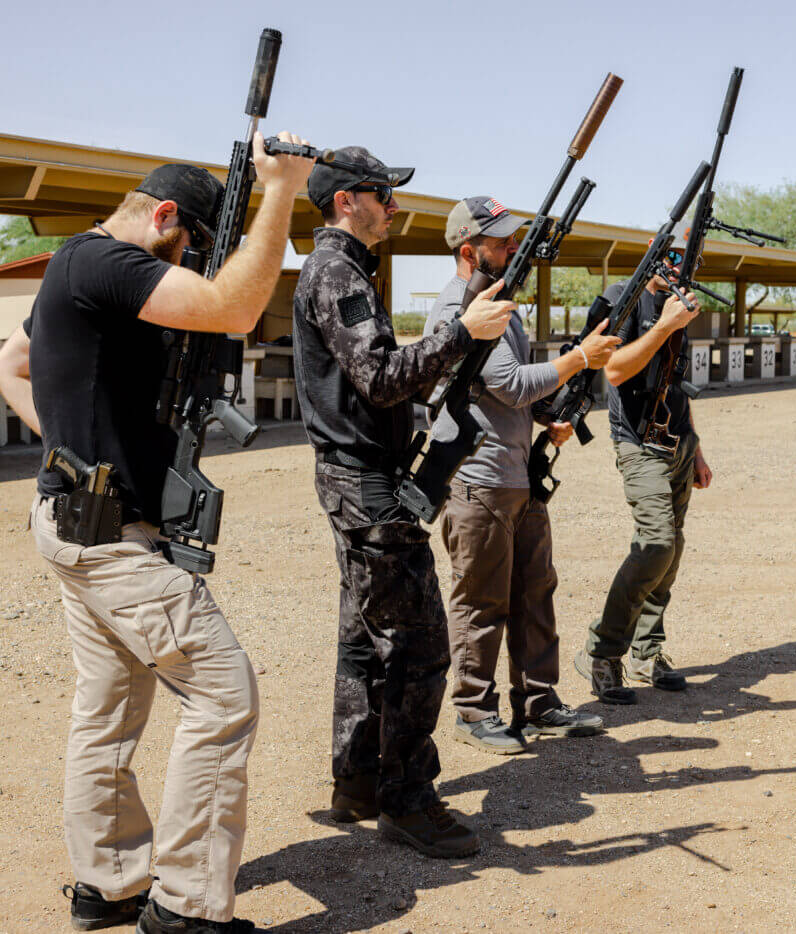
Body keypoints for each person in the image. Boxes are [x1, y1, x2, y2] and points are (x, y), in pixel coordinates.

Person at [0, 135, 316, 933]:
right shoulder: (105, 260)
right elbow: (237, 307)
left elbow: (10, 365)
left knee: (106, 707)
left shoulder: (73, 267)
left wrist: (68, 451)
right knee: (222, 692)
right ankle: (187, 910)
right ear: (163, 216)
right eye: (191, 246)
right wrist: (280, 192)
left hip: (76, 521)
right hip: (107, 539)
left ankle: (110, 882)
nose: (192, 265)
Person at [292, 149, 514, 857]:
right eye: (384, 194)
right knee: (417, 646)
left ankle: (358, 780)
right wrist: (460, 334)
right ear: (347, 200)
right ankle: (407, 800)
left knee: (364, 640)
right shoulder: (336, 272)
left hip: (358, 476)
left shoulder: (344, 270)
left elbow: (377, 380)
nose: (393, 206)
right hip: (366, 486)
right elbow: (381, 377)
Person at [423, 196, 622, 754]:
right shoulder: (460, 312)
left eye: (514, 239)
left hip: (517, 476)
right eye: (501, 241)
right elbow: (509, 382)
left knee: (535, 592)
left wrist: (547, 415)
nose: (513, 248)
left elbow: (514, 394)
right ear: (469, 250)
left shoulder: (503, 308)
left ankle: (538, 703)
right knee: (481, 601)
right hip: (479, 478)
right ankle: (474, 711)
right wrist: (579, 358)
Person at [574, 243, 712, 704]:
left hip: (677, 444)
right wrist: (666, 324)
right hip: (639, 445)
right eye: (676, 261)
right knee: (655, 543)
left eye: (691, 264)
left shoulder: (679, 305)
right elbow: (614, 369)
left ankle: (646, 653)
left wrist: (696, 447)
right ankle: (602, 650)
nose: (684, 271)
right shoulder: (626, 296)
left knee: (672, 551)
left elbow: (676, 377)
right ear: (657, 261)